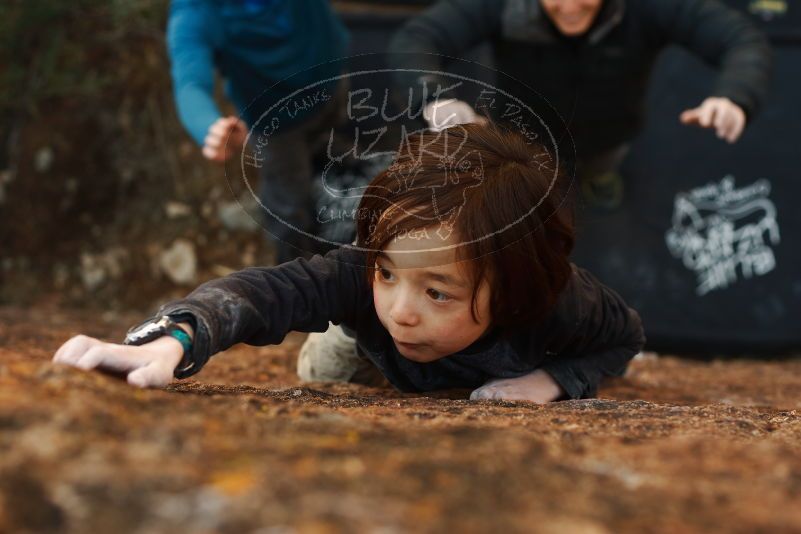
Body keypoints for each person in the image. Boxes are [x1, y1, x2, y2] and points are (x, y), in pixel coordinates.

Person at [52, 124, 645, 402]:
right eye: (388, 273)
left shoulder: (560, 302)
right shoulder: (360, 282)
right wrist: (176, 338)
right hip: (361, 355)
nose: (402, 312)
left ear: (516, 290)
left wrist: (550, 381)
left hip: (503, 366)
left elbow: (622, 341)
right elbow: (262, 293)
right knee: (321, 372)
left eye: (438, 292)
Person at [389, 0, 773, 209]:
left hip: (610, 136)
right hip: (524, 144)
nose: (570, 7)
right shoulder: (501, 6)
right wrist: (434, 99)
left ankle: (598, 180)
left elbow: (739, 39)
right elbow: (418, 38)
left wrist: (734, 96)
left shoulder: (650, 8)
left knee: (601, 187)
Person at [167, 0, 350, 262]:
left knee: (335, 156)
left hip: (333, 84)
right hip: (277, 127)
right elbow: (190, 83)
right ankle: (296, 281)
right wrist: (208, 127)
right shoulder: (198, 11)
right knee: (289, 210)